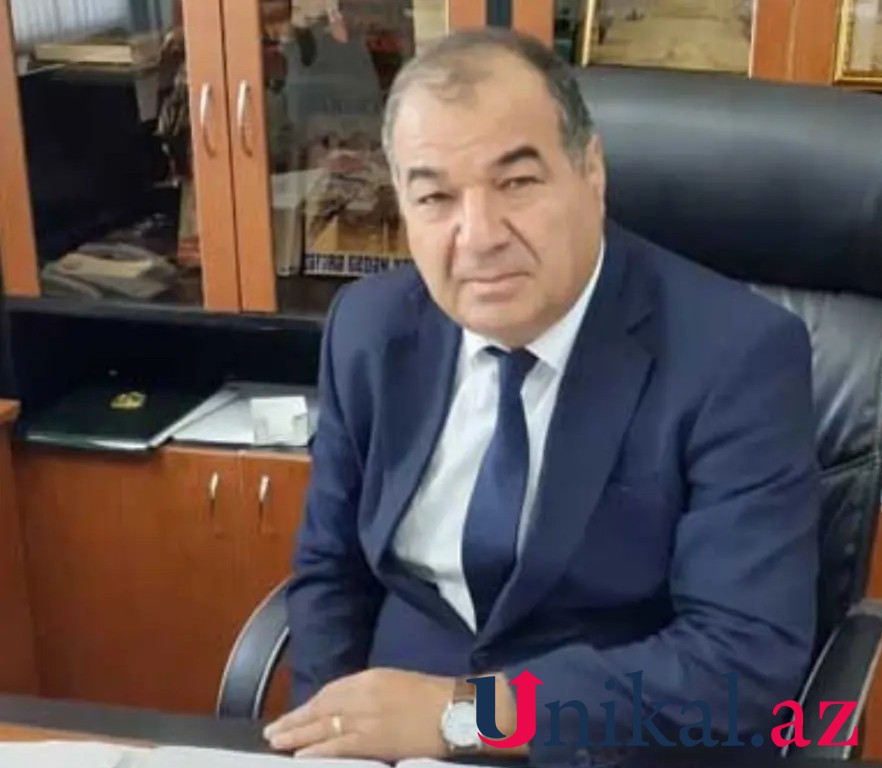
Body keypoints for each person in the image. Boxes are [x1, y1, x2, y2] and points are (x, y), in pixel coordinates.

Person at [262, 27, 820, 767]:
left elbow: (740, 663)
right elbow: (331, 573)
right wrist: (332, 739)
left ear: (591, 172)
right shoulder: (369, 329)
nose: (478, 236)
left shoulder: (735, 356)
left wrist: (463, 717)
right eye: (435, 197)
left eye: (517, 183)